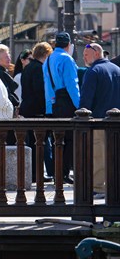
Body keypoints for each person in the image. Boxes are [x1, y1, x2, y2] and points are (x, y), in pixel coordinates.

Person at [80, 43, 120, 199]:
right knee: (115, 155)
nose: (83, 57)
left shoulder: (93, 71)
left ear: (96, 53)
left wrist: (82, 115)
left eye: (86, 54)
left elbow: (86, 99)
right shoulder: (117, 70)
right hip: (116, 121)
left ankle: (98, 187)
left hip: (98, 119)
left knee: (98, 155)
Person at [43, 32, 79, 184]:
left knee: (57, 140)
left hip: (53, 104)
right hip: (66, 103)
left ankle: (57, 173)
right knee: (69, 140)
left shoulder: (48, 60)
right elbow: (72, 84)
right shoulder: (67, 59)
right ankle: (64, 173)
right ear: (68, 45)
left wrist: (49, 107)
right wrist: (80, 106)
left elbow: (47, 86)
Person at [19, 42, 54, 182]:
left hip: (26, 108)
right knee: (39, 143)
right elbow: (40, 91)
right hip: (37, 110)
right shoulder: (40, 69)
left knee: (31, 143)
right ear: (46, 55)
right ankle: (36, 174)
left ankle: (33, 173)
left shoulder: (27, 67)